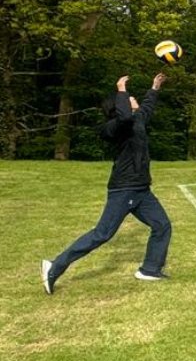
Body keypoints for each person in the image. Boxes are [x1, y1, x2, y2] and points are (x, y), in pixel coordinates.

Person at [41, 73, 172, 293]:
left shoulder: (137, 120)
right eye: (130, 99)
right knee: (102, 234)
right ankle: (54, 266)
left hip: (141, 190)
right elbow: (124, 117)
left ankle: (149, 269)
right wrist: (121, 89)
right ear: (119, 106)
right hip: (124, 189)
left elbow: (146, 109)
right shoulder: (114, 127)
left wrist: (154, 88)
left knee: (162, 225)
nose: (133, 100)